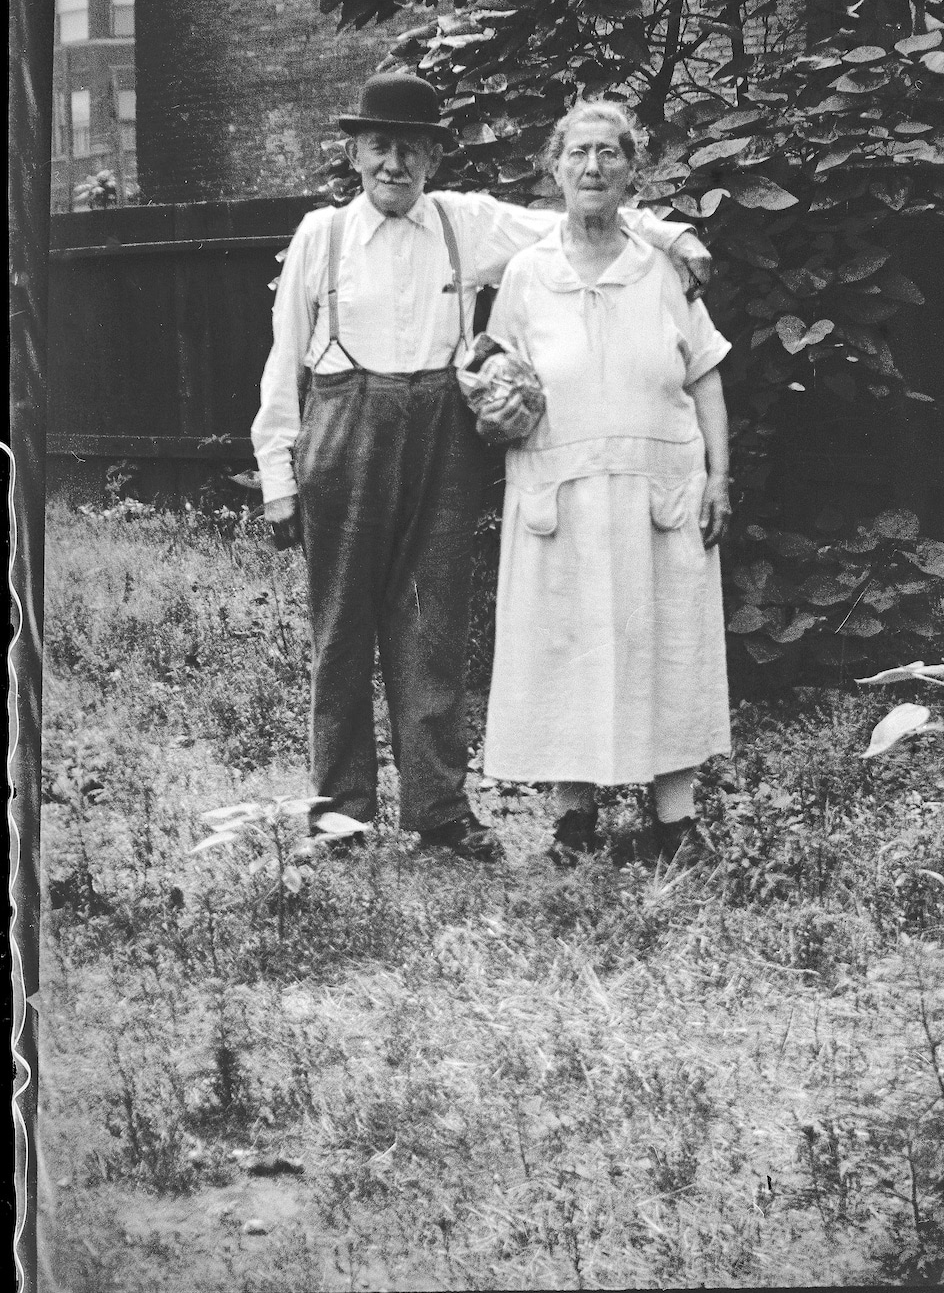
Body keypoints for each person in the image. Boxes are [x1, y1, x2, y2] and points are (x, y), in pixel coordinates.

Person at [250, 71, 713, 862]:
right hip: (344, 431)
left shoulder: (467, 222)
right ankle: (340, 815)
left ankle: (437, 811)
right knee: (341, 630)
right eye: (380, 146)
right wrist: (277, 477)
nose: (395, 163)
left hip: (440, 434)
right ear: (356, 154)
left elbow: (577, 215)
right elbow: (281, 361)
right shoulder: (319, 237)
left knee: (433, 630)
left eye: (412, 148)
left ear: (434, 156)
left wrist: (671, 235)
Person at [480, 100, 733, 865]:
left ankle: (676, 818)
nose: (593, 167)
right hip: (559, 493)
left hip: (660, 492)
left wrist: (721, 477)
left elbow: (707, 375)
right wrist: (496, 392)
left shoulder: (663, 268)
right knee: (564, 648)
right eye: (578, 153)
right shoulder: (526, 273)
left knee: (669, 643)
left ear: (632, 171)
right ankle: (573, 821)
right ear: (554, 168)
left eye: (610, 154)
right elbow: (493, 368)